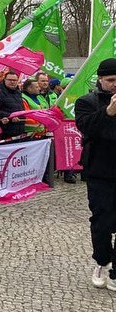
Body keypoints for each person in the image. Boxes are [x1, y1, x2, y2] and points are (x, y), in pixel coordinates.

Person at [74, 58, 116, 291]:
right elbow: (87, 127)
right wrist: (109, 111)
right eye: (110, 80)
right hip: (100, 170)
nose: (115, 85)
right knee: (102, 220)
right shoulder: (86, 102)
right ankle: (102, 261)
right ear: (100, 79)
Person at [0, 70, 25, 139]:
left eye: (15, 80)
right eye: (10, 80)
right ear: (4, 80)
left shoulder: (18, 92)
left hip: (19, 129)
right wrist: (10, 116)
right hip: (5, 130)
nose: (12, 82)